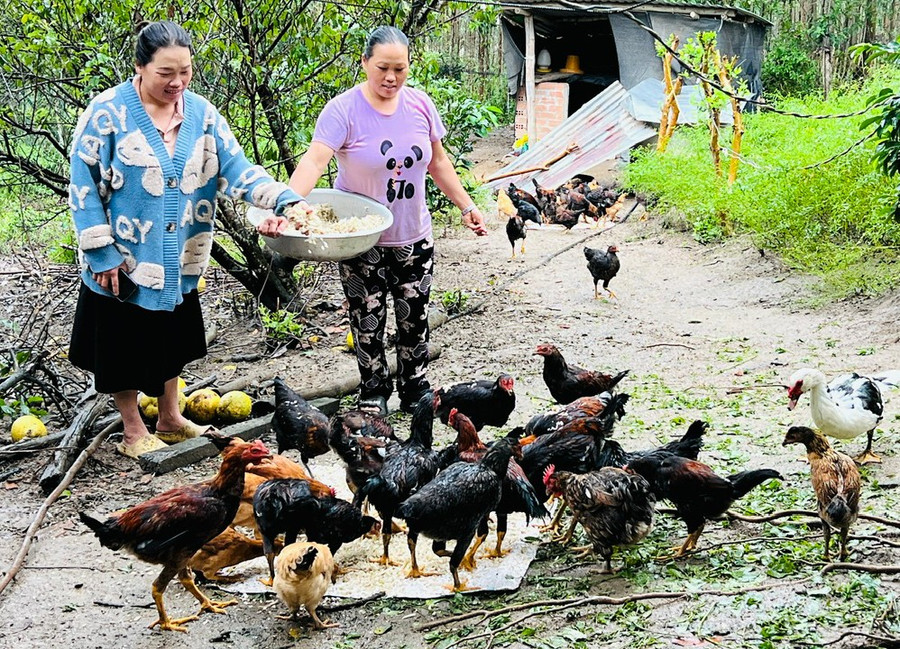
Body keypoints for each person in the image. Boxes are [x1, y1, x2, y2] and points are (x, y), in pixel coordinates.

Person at [68, 21, 304, 458]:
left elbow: (238, 169)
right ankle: (133, 431)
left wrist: (284, 201)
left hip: (180, 254)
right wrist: (101, 253)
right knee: (122, 342)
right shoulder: (105, 115)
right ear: (139, 67)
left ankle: (171, 417)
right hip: (122, 257)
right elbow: (83, 187)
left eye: (186, 72)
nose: (177, 83)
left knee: (170, 338)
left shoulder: (201, 114)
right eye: (165, 74)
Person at [265, 25, 487, 416]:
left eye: (400, 69)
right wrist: (286, 206)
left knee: (414, 316)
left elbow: (438, 163)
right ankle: (373, 391)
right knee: (366, 321)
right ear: (365, 62)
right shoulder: (343, 110)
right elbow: (315, 160)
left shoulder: (420, 106)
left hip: (413, 234)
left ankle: (415, 387)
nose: (391, 77)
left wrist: (467, 206)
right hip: (361, 239)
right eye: (382, 67)